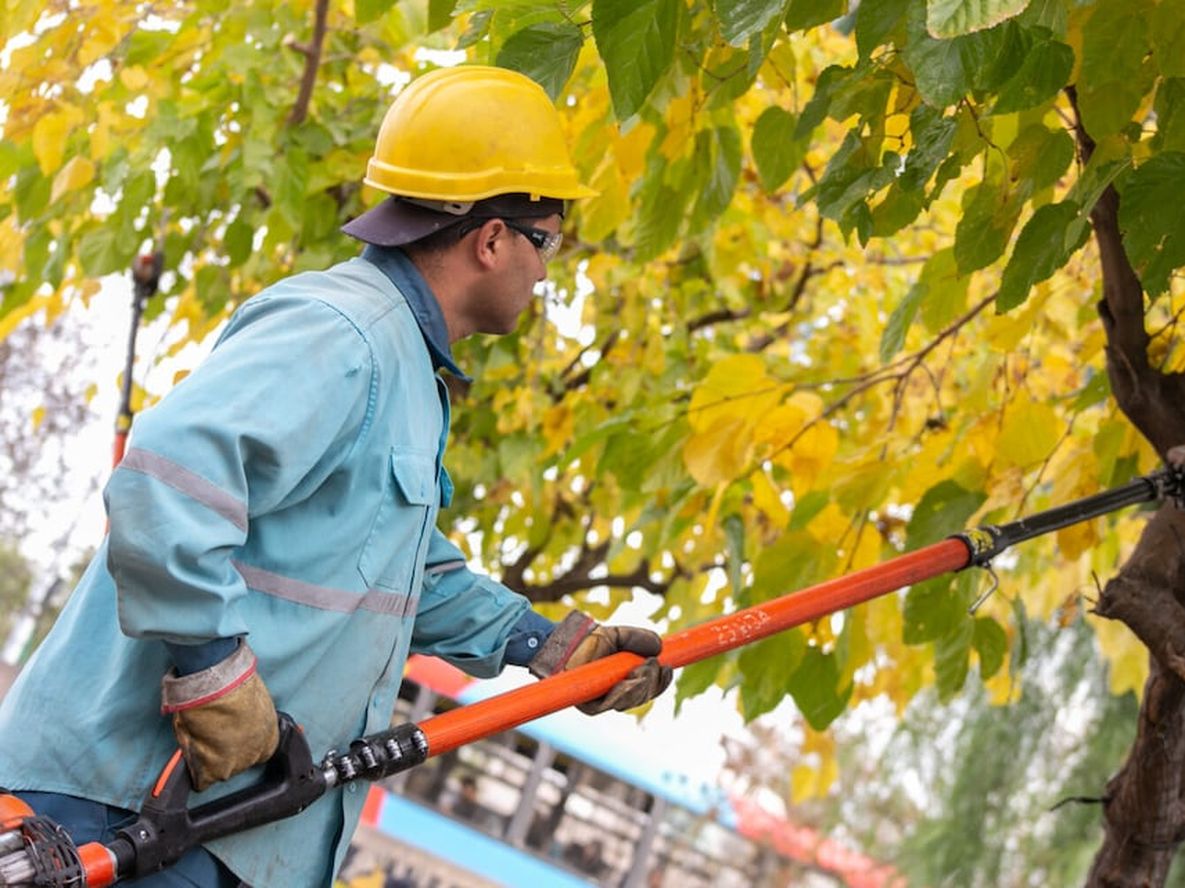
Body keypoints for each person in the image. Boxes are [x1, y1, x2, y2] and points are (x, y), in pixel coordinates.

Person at [0, 65, 672, 887]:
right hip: (114, 810)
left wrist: (549, 646)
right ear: (491, 240)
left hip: (214, 829)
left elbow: (397, 574)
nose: (545, 272)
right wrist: (212, 670)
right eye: (548, 241)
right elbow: (169, 477)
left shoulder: (406, 375)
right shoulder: (344, 331)